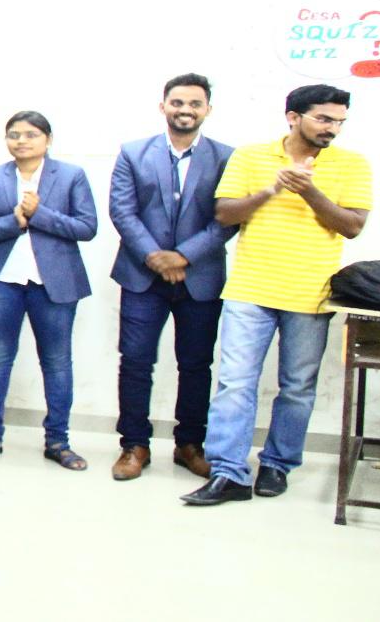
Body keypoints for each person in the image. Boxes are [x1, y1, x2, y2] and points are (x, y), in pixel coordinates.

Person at [183, 84, 372, 505]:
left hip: (311, 293)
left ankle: (277, 465)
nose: (332, 128)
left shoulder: (353, 164)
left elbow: (352, 226)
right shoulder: (250, 156)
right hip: (250, 288)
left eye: (339, 121)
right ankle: (229, 473)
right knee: (234, 383)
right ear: (293, 117)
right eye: (323, 119)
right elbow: (224, 214)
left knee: (297, 387)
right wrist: (271, 189)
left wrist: (309, 190)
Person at [108, 74, 235, 481]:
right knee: (135, 362)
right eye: (177, 102)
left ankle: (190, 444)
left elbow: (227, 219)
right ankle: (134, 445)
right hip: (142, 276)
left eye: (195, 104)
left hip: (200, 278)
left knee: (196, 364)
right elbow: (122, 211)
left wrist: (183, 256)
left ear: (208, 109)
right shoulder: (133, 153)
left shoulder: (228, 157)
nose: (185, 110)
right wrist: (155, 257)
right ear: (163, 106)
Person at [0, 111, 98, 470]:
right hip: (2, 282)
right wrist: (14, 221)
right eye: (14, 134)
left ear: (48, 139)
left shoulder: (71, 175)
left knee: (57, 363)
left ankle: (58, 441)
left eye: (31, 134)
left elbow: (87, 227)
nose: (21, 141)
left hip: (54, 283)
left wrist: (39, 214)